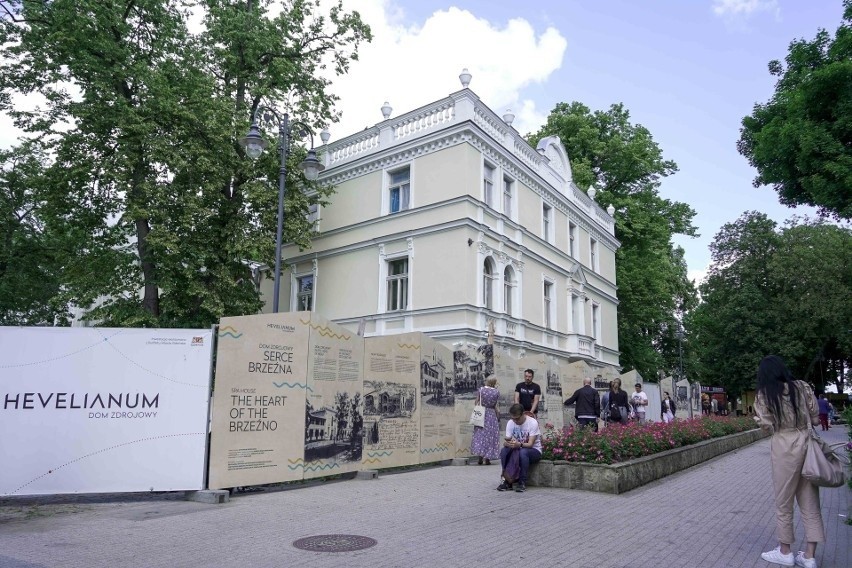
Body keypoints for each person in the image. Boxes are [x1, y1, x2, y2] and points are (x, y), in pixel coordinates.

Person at [755, 355, 823, 568]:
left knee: (784, 501)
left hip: (784, 445)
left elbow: (765, 425)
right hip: (807, 443)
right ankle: (810, 556)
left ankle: (785, 552)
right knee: (810, 502)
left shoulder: (765, 394)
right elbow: (815, 417)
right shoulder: (802, 387)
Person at [496, 403, 542, 493]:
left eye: (517, 418)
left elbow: (530, 444)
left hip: (534, 450)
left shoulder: (532, 422)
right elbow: (508, 440)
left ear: (523, 414)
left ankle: (522, 482)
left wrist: (519, 445)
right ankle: (507, 480)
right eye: (513, 418)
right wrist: (507, 444)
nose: (515, 421)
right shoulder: (511, 423)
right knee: (504, 451)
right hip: (517, 448)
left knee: (523, 452)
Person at [470, 376, 500, 465]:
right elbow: (496, 406)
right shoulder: (496, 392)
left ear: (487, 381)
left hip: (482, 414)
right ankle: (487, 459)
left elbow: (476, 402)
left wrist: (480, 405)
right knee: (490, 436)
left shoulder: (481, 390)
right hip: (491, 415)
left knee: (480, 435)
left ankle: (480, 458)